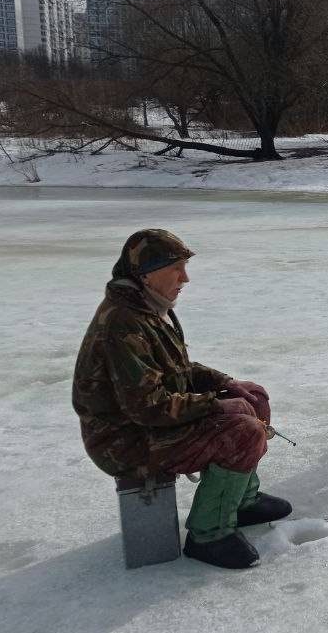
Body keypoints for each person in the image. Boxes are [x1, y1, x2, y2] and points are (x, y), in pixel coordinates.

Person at [73, 229, 291, 570]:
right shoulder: (121, 323)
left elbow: (176, 370)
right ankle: (209, 535)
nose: (185, 278)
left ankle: (242, 502)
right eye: (177, 268)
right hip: (124, 440)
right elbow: (147, 406)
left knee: (253, 398)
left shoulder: (146, 308)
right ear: (146, 272)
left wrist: (226, 383)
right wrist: (214, 405)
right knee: (242, 429)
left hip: (146, 424)